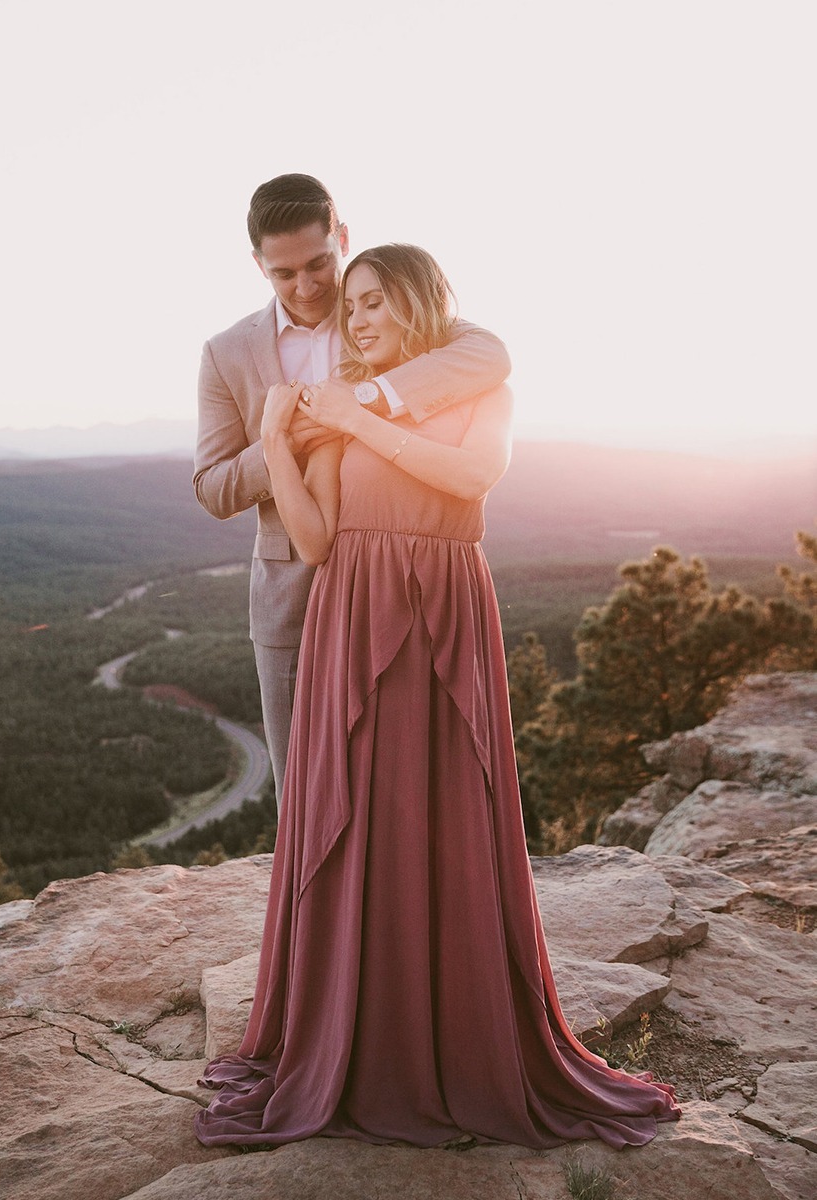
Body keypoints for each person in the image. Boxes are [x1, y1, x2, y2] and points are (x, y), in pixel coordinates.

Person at [193, 244, 681, 1149]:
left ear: (415, 302)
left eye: (374, 302)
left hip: (446, 609)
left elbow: (471, 478)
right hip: (353, 616)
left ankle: (458, 1034)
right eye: (351, 309)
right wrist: (275, 444)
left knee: (449, 810)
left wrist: (360, 415)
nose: (358, 320)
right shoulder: (343, 410)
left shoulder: (470, 389)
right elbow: (312, 541)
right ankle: (357, 1031)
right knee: (358, 810)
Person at [193, 174, 511, 801]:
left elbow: (489, 356)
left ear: (341, 239)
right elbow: (212, 488)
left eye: (319, 264)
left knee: (403, 775)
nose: (306, 287)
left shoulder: (380, 308)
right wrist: (292, 437)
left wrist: (361, 403)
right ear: (257, 264)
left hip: (401, 583)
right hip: (292, 581)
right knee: (304, 786)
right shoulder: (225, 352)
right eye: (284, 274)